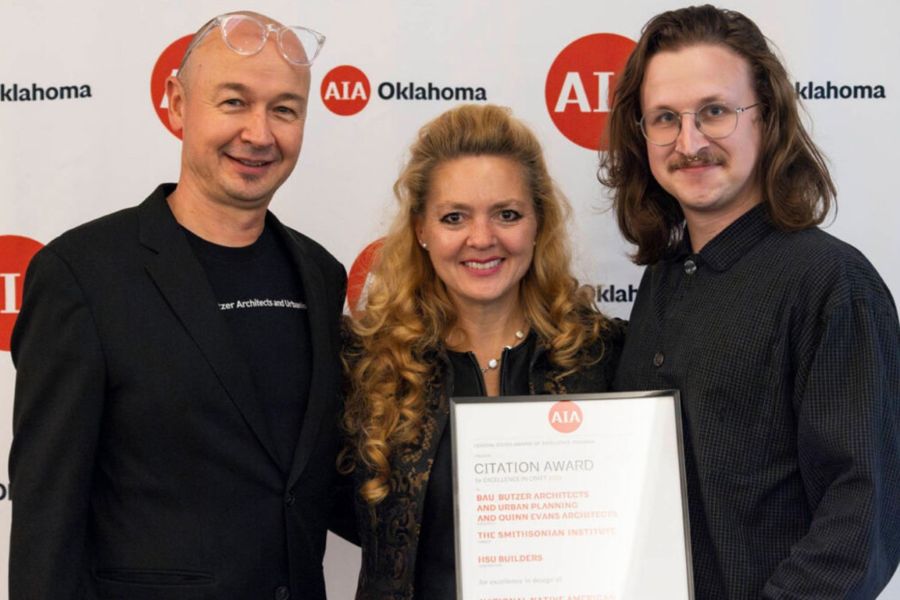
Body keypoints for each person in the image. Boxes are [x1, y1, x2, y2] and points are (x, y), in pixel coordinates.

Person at [9, 11, 346, 599]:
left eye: (285, 109)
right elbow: (47, 519)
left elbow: (320, 482)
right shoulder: (81, 276)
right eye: (234, 102)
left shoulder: (320, 274)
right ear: (177, 104)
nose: (260, 133)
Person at [600, 5, 900, 598]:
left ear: (767, 116)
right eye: (665, 118)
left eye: (715, 111)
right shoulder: (663, 281)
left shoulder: (833, 284)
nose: (689, 142)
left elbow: (860, 525)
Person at [339, 103, 624, 599]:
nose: (482, 239)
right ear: (421, 230)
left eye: (507, 215)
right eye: (454, 218)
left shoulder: (602, 356)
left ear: (538, 222)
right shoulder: (367, 366)